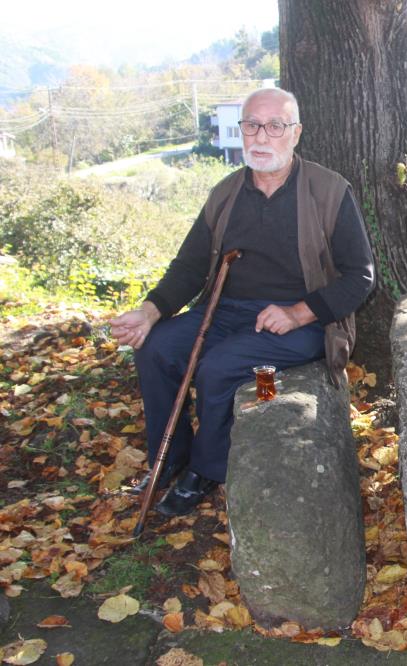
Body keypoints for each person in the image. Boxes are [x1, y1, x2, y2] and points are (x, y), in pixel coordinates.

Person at [110, 87, 375, 516]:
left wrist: (299, 312)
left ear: (296, 133)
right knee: (156, 349)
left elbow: (360, 276)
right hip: (224, 312)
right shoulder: (226, 194)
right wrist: (149, 311)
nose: (261, 136)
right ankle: (169, 455)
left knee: (218, 367)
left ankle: (205, 468)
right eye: (251, 125)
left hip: (303, 323)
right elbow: (190, 267)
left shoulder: (328, 191)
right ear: (241, 131)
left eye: (275, 126)